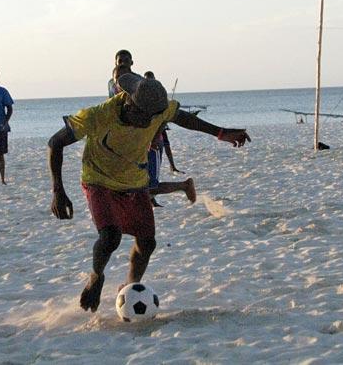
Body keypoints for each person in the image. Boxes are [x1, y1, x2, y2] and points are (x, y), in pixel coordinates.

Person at [48, 74, 250, 312]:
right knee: (110, 238)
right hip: (98, 181)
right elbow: (55, 143)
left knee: (147, 243)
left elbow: (182, 118)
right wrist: (58, 191)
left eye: (157, 118)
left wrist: (220, 133)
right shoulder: (97, 116)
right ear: (129, 104)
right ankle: (96, 276)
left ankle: (131, 287)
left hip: (134, 182)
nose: (153, 123)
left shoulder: (156, 110)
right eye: (146, 117)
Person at [143, 71, 191, 207]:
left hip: (154, 147)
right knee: (144, 181)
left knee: (152, 184)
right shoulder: (141, 102)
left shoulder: (160, 104)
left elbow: (164, 136)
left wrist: (172, 163)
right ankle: (152, 201)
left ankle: (184, 186)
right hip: (142, 147)